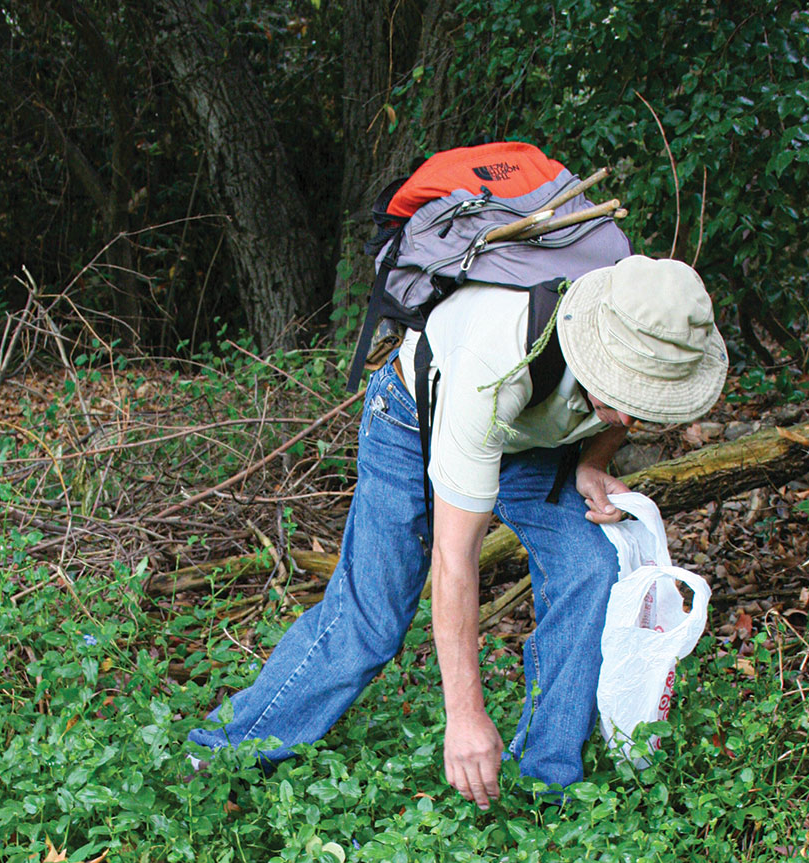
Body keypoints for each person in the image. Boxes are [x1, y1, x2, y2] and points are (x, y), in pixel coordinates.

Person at [186, 255, 728, 807]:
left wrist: (594, 459)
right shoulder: (491, 366)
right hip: (419, 415)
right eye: (627, 398)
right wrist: (464, 716)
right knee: (371, 615)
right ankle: (225, 750)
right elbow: (454, 555)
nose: (635, 422)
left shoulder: (653, 317)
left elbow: (617, 416)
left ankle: (544, 781)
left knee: (590, 570)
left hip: (532, 436)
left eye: (648, 404)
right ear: (592, 356)